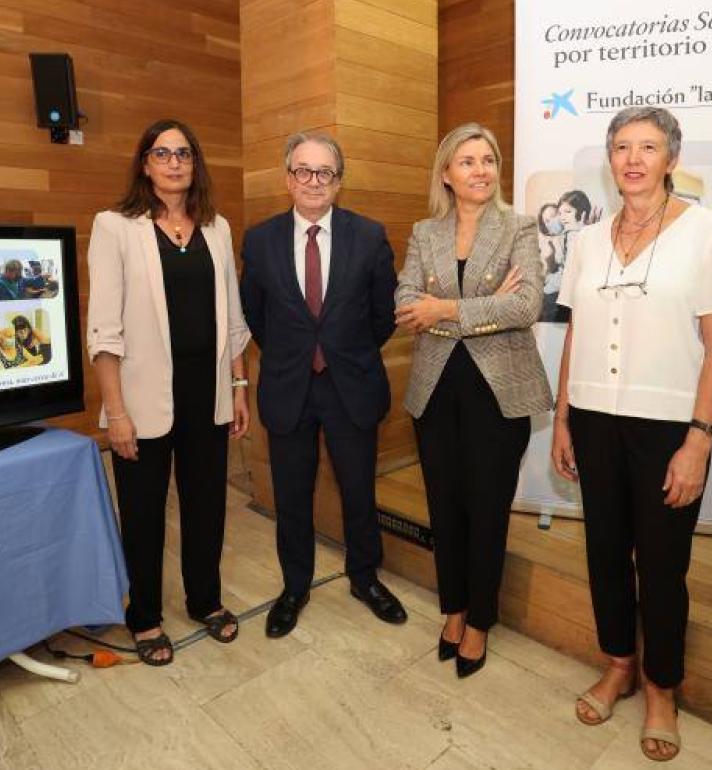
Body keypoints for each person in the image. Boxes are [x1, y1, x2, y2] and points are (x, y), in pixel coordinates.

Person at [550, 106, 712, 761]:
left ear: (671, 159)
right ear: (610, 160)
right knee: (604, 550)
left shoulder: (709, 233)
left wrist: (699, 439)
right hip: (595, 417)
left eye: (649, 147)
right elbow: (576, 333)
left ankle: (662, 686)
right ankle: (617, 664)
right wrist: (564, 420)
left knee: (661, 566)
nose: (634, 158)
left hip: (669, 428)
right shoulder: (587, 240)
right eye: (623, 147)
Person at [86, 119, 251, 666]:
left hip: (208, 392)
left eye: (184, 153)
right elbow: (104, 329)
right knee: (143, 511)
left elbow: (232, 319)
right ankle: (146, 616)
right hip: (141, 398)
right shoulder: (116, 227)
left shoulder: (217, 228)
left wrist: (239, 386)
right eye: (163, 153)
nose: (175, 162)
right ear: (145, 163)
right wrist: (116, 412)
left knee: (207, 506)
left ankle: (205, 599)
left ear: (195, 163)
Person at [395, 123, 553, 678]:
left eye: (488, 160)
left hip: (497, 393)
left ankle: (481, 618)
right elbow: (405, 300)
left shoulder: (521, 227)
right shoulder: (424, 232)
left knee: (487, 509)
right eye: (467, 161)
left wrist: (447, 312)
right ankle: (454, 607)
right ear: (446, 173)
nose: (480, 170)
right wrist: (485, 306)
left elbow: (527, 305)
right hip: (436, 389)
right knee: (445, 505)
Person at [239, 132, 407, 638]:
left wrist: (342, 352)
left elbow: (384, 316)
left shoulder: (370, 236)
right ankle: (295, 587)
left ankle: (364, 577)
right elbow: (256, 314)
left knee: (358, 489)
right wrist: (296, 355)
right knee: (292, 494)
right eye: (304, 171)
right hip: (289, 386)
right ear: (288, 177)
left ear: (339, 181)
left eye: (325, 172)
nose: (314, 181)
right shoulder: (260, 239)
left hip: (350, 385)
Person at [538, 202, 565, 321]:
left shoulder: (576, 235)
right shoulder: (549, 243)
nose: (552, 223)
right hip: (553, 297)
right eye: (547, 221)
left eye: (554, 216)